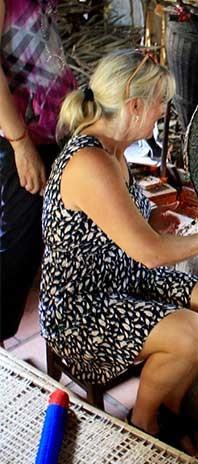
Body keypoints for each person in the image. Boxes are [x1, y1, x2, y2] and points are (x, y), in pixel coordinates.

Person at [39, 49, 198, 443]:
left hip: (120, 276)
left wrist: (162, 219)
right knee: (191, 332)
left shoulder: (113, 149)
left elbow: (131, 221)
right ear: (135, 106)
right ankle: (144, 424)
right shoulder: (90, 163)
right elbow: (152, 253)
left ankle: (171, 404)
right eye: (159, 101)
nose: (162, 110)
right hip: (79, 307)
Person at [0, 0, 76, 342]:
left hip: (53, 125)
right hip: (21, 137)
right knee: (20, 245)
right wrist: (20, 145)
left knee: (57, 232)